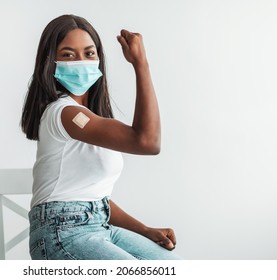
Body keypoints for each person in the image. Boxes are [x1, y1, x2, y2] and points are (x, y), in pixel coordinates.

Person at [21, 14, 180, 260]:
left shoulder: (90, 119)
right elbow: (147, 142)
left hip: (99, 226)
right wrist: (141, 64)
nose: (81, 62)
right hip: (60, 235)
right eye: (68, 55)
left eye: (89, 53)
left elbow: (93, 199)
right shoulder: (67, 115)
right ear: (49, 62)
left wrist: (144, 230)